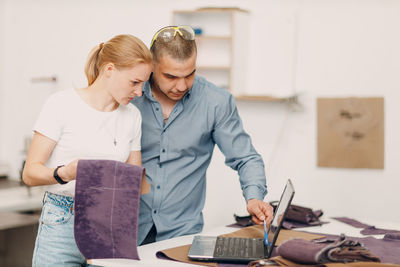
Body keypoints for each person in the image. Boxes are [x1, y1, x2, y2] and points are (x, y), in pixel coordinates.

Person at [131, 26, 274, 245]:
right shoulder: (129, 96)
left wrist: (254, 198)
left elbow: (246, 158)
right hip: (125, 228)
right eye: (170, 76)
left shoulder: (216, 102)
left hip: (181, 233)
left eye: (189, 75)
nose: (181, 86)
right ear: (151, 65)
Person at [22, 34, 152, 266]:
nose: (140, 92)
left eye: (143, 83)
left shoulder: (132, 116)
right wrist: (66, 173)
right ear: (109, 69)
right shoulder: (61, 104)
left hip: (109, 223)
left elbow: (134, 181)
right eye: (134, 82)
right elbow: (30, 173)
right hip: (62, 221)